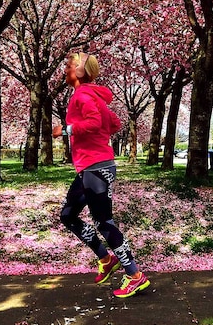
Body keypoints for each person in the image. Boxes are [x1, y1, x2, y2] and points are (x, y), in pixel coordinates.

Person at [52, 52, 151, 298]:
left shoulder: (83, 95)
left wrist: (66, 130)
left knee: (103, 221)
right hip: (90, 167)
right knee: (68, 215)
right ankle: (105, 258)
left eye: (69, 66)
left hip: (96, 167)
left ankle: (135, 275)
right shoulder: (93, 96)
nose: (65, 69)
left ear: (80, 71)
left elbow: (96, 123)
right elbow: (114, 123)